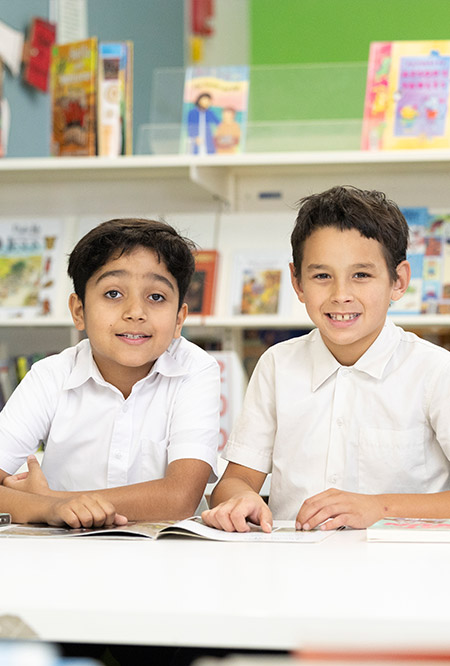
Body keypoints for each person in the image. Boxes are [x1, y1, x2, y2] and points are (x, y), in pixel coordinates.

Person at [202, 185, 450, 533]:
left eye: (361, 275)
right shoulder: (278, 365)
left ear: (398, 281)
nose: (341, 295)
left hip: (403, 571)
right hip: (294, 565)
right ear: (297, 282)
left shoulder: (435, 371)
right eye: (322, 276)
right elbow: (235, 480)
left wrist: (378, 507)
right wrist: (240, 499)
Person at [0, 218, 220, 527]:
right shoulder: (51, 375)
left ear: (179, 318)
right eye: (113, 294)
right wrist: (49, 509)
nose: (135, 312)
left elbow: (179, 499)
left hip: (166, 559)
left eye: (156, 297)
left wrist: (48, 502)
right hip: (63, 556)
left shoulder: (196, 371)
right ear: (79, 311)